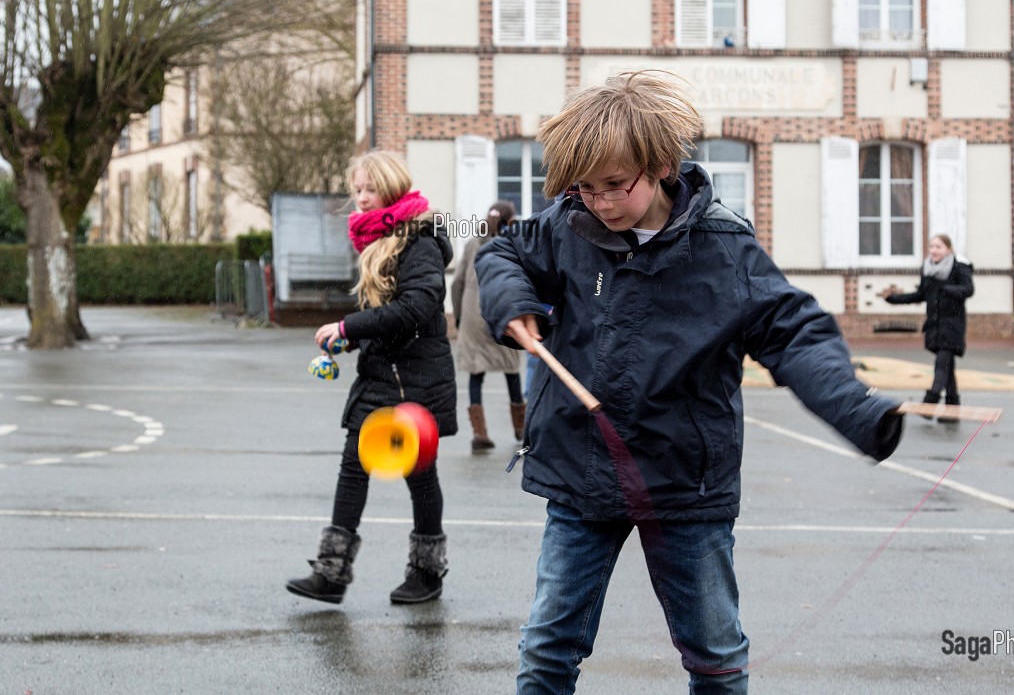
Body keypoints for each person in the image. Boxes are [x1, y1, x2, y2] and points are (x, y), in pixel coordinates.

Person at [475, 71, 904, 694]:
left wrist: (858, 411)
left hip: (684, 485)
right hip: (581, 475)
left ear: (659, 165)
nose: (599, 202)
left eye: (615, 185)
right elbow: (501, 252)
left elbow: (794, 331)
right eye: (584, 187)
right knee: (546, 651)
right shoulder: (565, 225)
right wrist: (511, 299)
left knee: (716, 658)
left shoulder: (724, 250)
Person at [287, 149, 459, 606]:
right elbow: (386, 315)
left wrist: (349, 327)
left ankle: (426, 573)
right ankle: (331, 572)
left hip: (417, 381)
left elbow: (417, 309)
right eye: (357, 189)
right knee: (353, 468)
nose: (361, 198)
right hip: (381, 375)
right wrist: (352, 341)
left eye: (369, 189)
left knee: (419, 475)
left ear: (391, 188)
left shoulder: (418, 240)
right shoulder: (377, 239)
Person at [451, 200, 525, 451]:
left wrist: (460, 317)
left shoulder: (473, 243)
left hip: (473, 314)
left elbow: (457, 282)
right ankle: (521, 429)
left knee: (476, 373)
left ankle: (480, 434)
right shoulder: (513, 243)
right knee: (511, 370)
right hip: (502, 313)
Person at [878, 233, 974, 419]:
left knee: (941, 362)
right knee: (947, 366)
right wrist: (893, 299)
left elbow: (968, 289)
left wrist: (946, 289)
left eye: (938, 247)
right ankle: (952, 409)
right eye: (931, 247)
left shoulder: (959, 267)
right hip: (934, 324)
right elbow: (921, 294)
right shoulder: (928, 269)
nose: (934, 251)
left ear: (948, 249)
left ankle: (931, 400)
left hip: (952, 323)